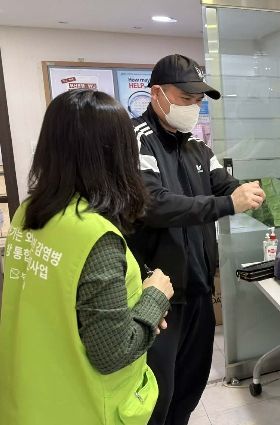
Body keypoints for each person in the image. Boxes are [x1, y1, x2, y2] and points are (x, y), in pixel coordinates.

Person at [0, 89, 174, 424]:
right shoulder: (95, 237)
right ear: (116, 154)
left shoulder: (28, 213)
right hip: (83, 408)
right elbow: (113, 352)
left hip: (28, 397)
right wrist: (154, 298)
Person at [126, 54, 266, 425]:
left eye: (198, 100)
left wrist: (246, 191)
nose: (193, 107)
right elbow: (153, 204)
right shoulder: (136, 140)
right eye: (185, 98)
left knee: (190, 386)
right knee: (157, 393)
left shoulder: (196, 146)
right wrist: (228, 204)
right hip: (158, 297)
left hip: (199, 288)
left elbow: (223, 183)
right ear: (157, 94)